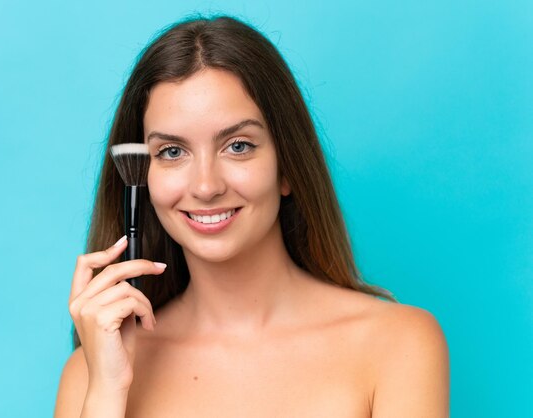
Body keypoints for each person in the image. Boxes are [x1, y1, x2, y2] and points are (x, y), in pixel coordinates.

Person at [54, 15, 449, 418]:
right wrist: (105, 391)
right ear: (141, 177)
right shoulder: (91, 375)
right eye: (172, 152)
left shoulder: (397, 343)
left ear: (287, 166)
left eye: (238, 146)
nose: (206, 186)